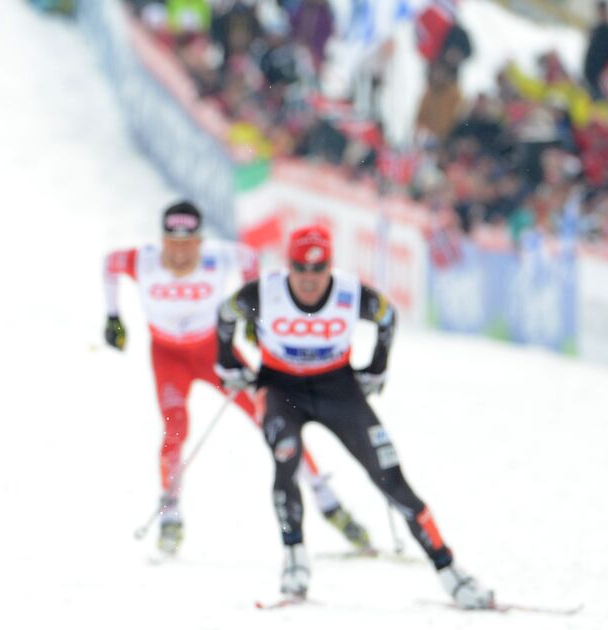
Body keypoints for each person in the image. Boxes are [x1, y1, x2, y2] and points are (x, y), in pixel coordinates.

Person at [214, 224, 494, 609]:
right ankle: (295, 559)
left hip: (338, 389)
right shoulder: (265, 292)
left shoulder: (350, 293)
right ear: (288, 265)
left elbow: (387, 317)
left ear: (330, 265)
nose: (309, 278)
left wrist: (376, 368)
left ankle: (450, 571)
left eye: (318, 268)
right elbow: (225, 314)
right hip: (282, 389)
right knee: (287, 456)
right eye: (300, 267)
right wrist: (228, 363)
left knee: (390, 478)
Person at [103, 201, 371, 556]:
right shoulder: (143, 260)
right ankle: (170, 512)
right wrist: (113, 316)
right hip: (168, 357)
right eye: (172, 244)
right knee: (174, 427)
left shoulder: (217, 257)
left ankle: (328, 501)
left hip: (215, 355)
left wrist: (252, 316)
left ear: (200, 242)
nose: (180, 254)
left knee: (273, 421)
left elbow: (249, 259)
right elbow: (109, 263)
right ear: (161, 240)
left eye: (188, 245)